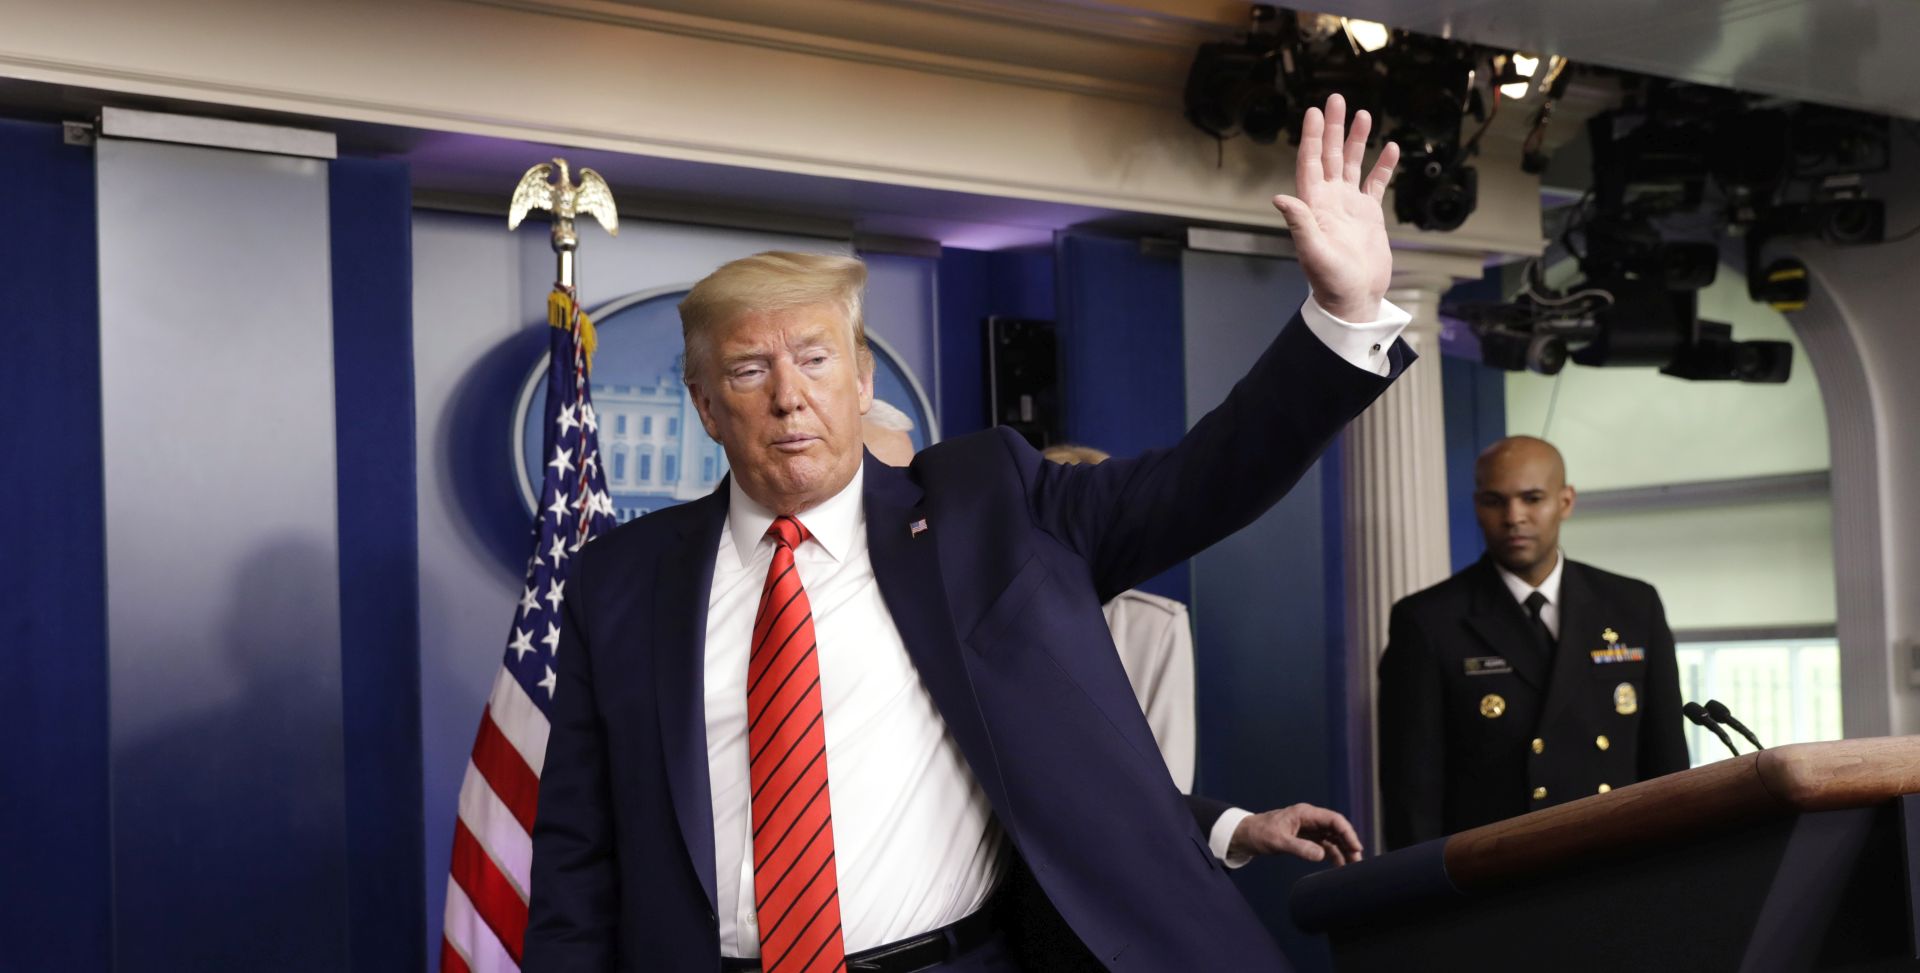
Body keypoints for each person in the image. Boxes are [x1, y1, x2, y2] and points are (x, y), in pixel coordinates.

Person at [527, 93, 1408, 972]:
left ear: (864, 379)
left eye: (816, 358)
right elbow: (577, 855)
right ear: (706, 406)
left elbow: (1208, 479)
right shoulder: (621, 578)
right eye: (750, 370)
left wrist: (1341, 315)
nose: (789, 395)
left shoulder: (990, 504)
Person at [1376, 435, 1689, 851]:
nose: (1513, 517)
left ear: (1565, 501)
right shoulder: (1429, 620)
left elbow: (1667, 762)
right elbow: (1412, 790)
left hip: (1617, 858)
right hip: (1497, 872)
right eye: (1494, 501)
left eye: (1532, 498)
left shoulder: (1632, 605)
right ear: (1476, 506)